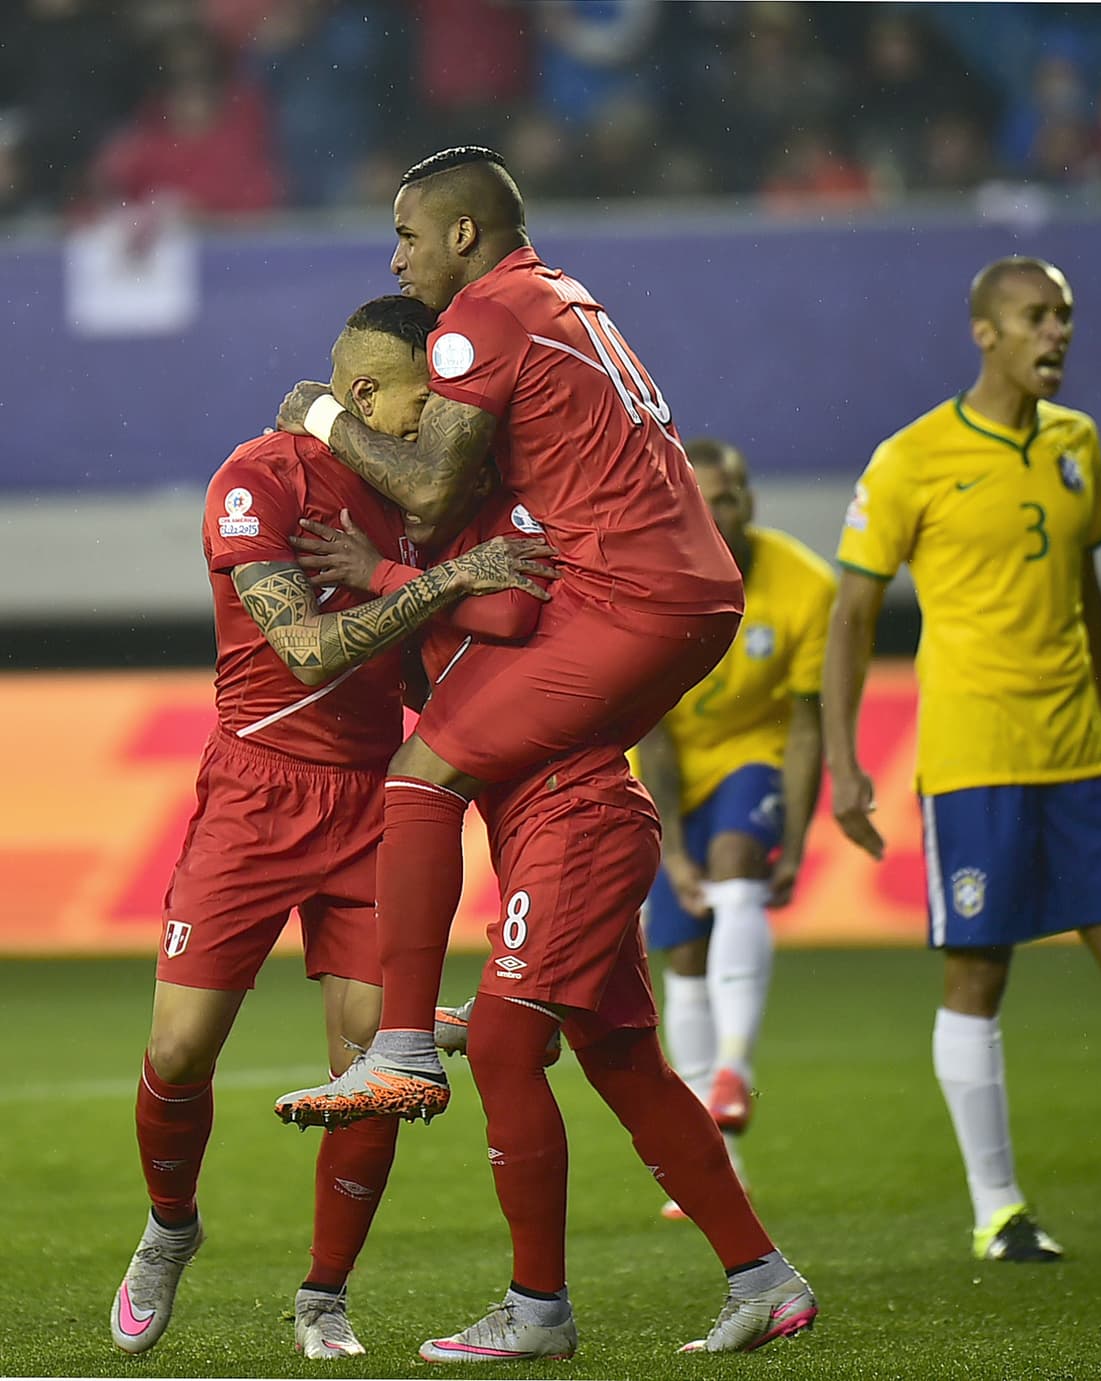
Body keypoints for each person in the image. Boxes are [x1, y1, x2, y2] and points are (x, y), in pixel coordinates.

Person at [109, 294, 555, 1360]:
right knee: (177, 1049)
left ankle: (323, 1294)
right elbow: (305, 650)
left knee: (372, 1069)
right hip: (256, 792)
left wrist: (443, 585)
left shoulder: (430, 500)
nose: (439, 423)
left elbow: (488, 618)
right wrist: (446, 580)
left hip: (375, 799)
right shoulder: (257, 482)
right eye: (422, 401)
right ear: (361, 397)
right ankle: (171, 1228)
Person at [269, 144, 743, 1134]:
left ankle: (398, 1045)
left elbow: (433, 491)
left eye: (406, 237)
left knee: (417, 774)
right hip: (686, 591)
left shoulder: (475, 321)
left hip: (629, 596)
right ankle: (749, 1279)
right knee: (545, 779)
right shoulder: (563, 295)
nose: (395, 261)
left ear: (462, 234)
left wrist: (322, 418)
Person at [822, 255, 1101, 1262]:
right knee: (977, 973)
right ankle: (997, 1212)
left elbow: (1085, 602)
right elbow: (852, 613)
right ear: (983, 332)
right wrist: (843, 761)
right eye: (1034, 316)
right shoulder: (910, 459)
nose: (1055, 333)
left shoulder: (1076, 445)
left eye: (1063, 316)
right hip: (974, 755)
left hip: (1077, 755)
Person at [288, 489, 817, 1359]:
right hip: (553, 829)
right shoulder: (438, 558)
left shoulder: (502, 516)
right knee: (622, 1060)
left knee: (506, 1048)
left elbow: (508, 602)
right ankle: (765, 1281)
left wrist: (386, 573)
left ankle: (537, 1308)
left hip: (577, 819)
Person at [636, 438, 835, 1216]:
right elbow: (650, 729)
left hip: (755, 759)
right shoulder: (655, 582)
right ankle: (718, 1161)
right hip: (671, 768)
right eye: (711, 496)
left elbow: (808, 727)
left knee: (736, 861)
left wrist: (802, 835)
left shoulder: (806, 585)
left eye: (738, 492)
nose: (729, 508)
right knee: (682, 952)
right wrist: (671, 850)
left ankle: (731, 1066)